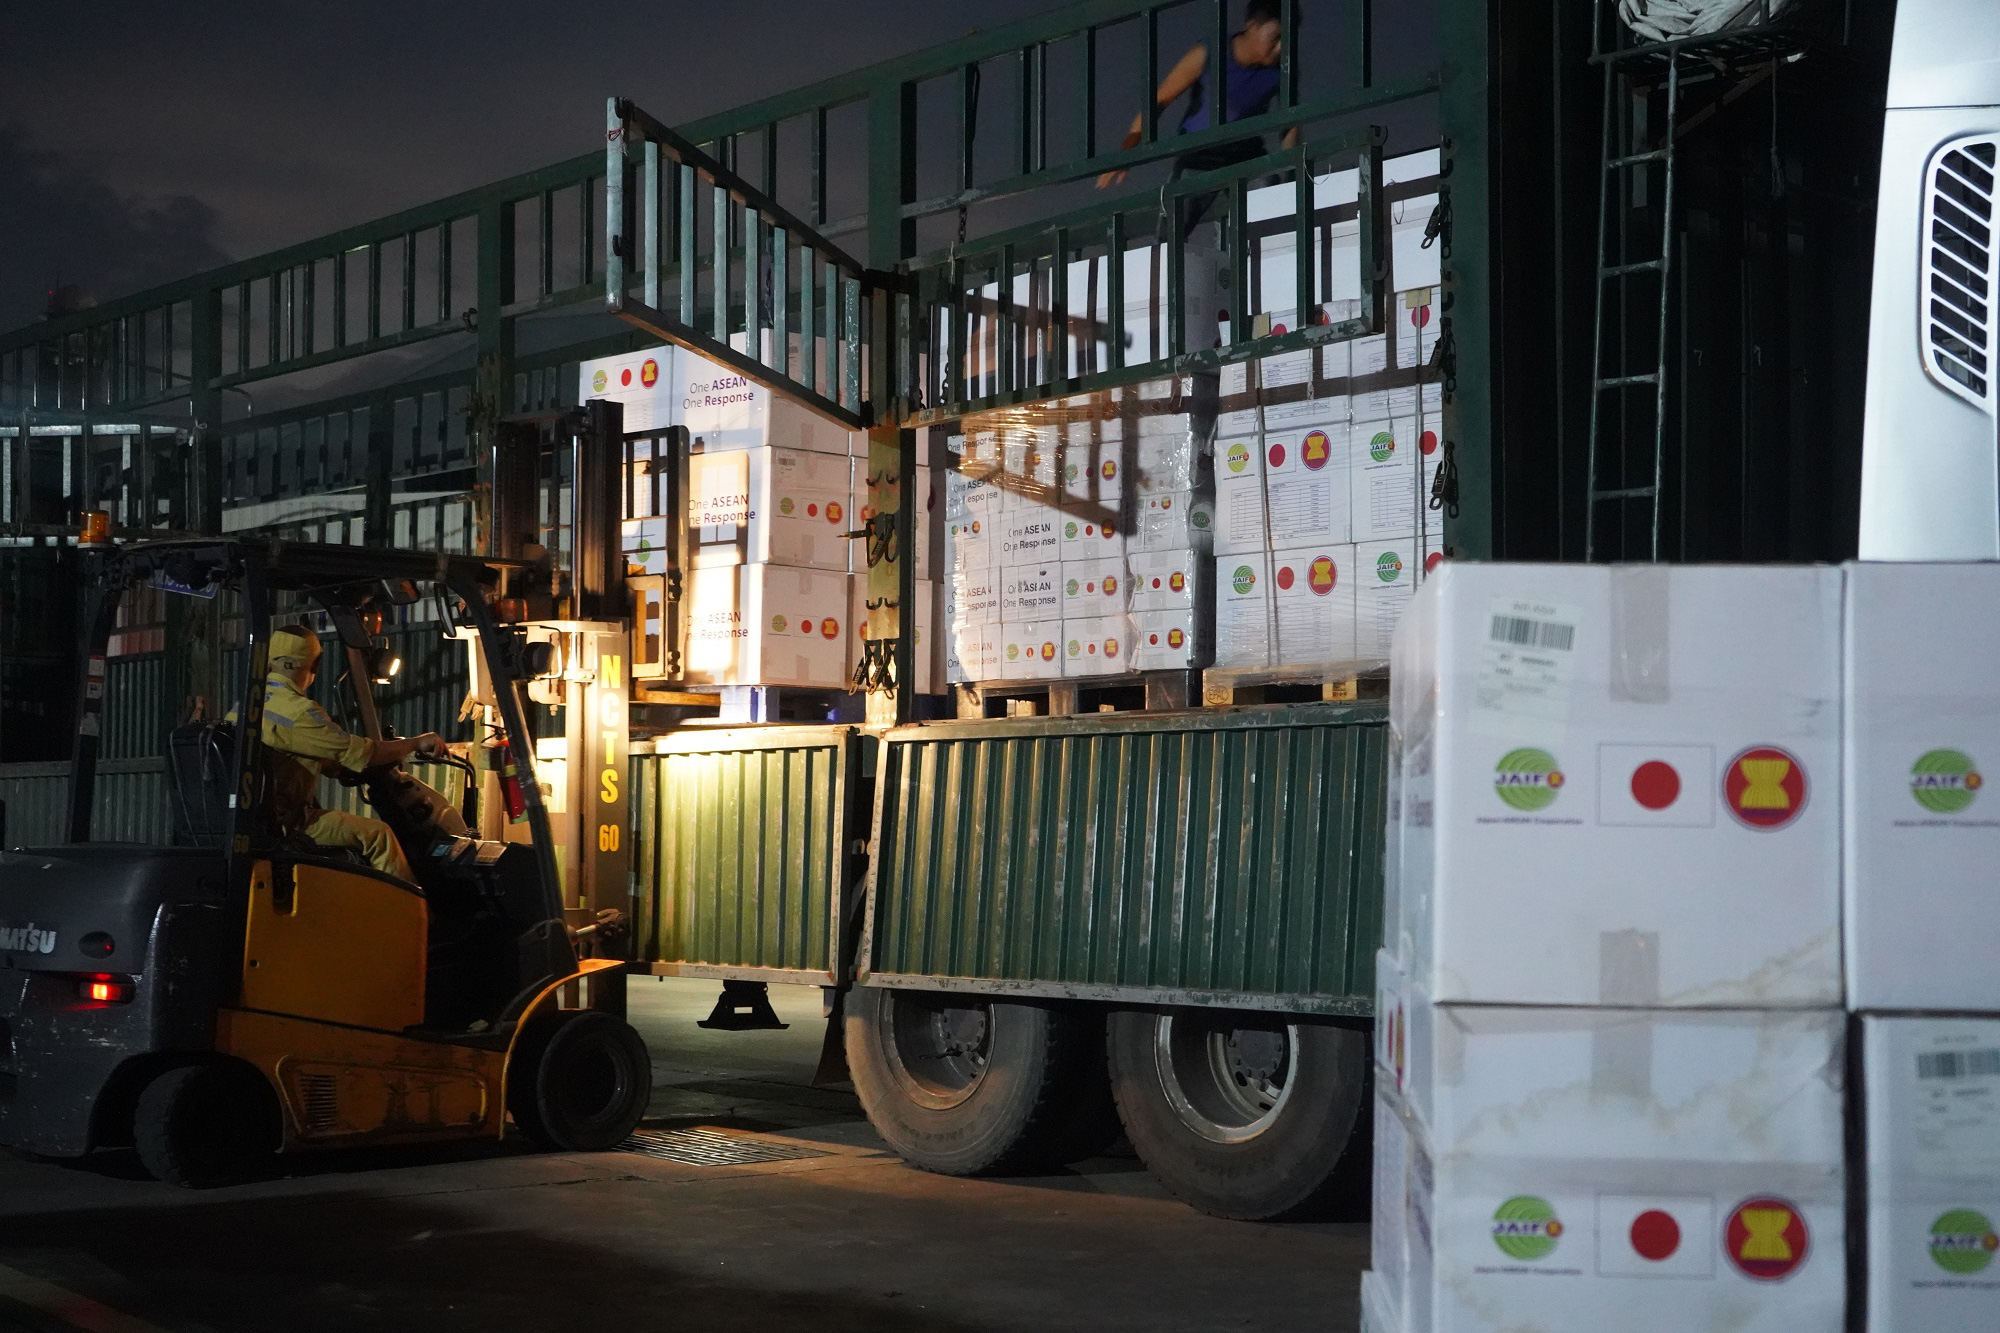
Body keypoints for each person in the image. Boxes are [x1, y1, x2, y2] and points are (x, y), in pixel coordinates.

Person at [254, 624, 443, 881]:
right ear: (311, 666)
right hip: (288, 825)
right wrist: (416, 743)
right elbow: (364, 753)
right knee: (380, 837)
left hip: (262, 821)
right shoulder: (298, 712)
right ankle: (409, 919)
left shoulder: (252, 703)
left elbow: (301, 753)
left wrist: (332, 763)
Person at [1096, 0, 1302, 207]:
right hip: (1199, 154)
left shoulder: (1283, 70)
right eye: (1276, 37)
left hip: (1246, 153)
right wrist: (1128, 149)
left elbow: (1290, 123)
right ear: (1252, 25)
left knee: (1271, 202)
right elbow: (1160, 100)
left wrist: (1290, 175)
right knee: (1174, 224)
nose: (1281, 47)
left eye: (1288, 39)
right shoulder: (1210, 52)